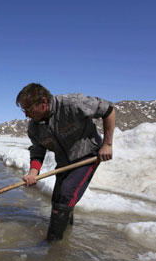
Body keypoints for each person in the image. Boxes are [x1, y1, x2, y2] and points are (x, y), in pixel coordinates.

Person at [17, 83, 115, 242]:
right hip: (64, 163)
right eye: (24, 110)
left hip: (87, 155)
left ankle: (52, 246)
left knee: (66, 195)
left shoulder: (72, 103)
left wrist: (107, 144)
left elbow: (108, 110)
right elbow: (38, 150)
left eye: (28, 109)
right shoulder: (34, 127)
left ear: (43, 102)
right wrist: (33, 172)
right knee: (57, 200)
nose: (26, 114)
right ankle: (65, 236)